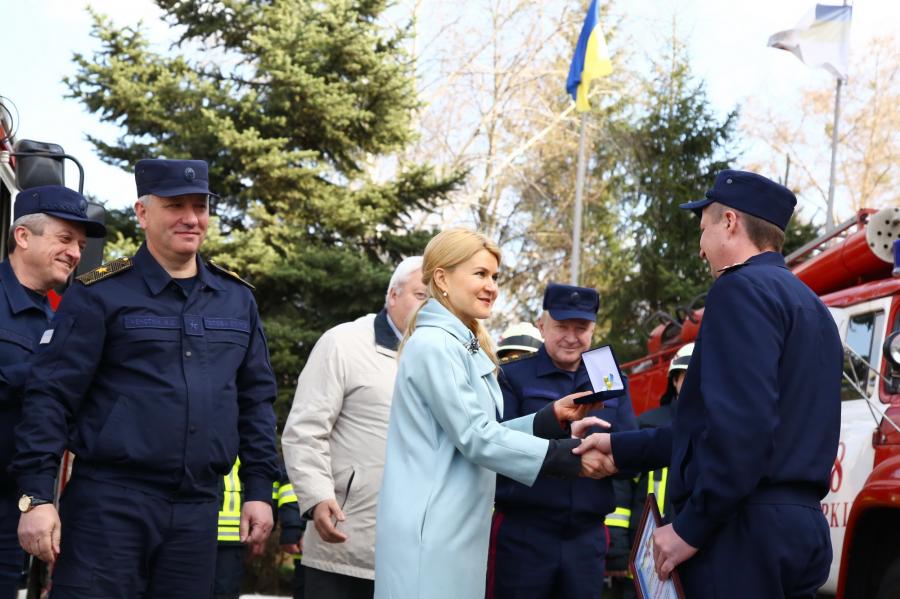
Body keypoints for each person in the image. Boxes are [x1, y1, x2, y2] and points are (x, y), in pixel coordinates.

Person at [11, 159, 280, 599]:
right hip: (110, 507)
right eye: (175, 206)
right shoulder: (99, 293)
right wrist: (37, 498)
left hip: (196, 512)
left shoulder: (236, 300)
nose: (191, 218)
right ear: (143, 213)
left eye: (200, 206)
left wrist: (258, 490)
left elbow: (255, 403)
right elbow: (51, 396)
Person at [576, 170, 843, 599]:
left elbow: (742, 430)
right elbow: (706, 430)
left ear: (731, 222)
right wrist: (623, 448)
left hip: (741, 533)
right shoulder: (812, 307)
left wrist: (690, 527)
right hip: (800, 530)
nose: (701, 250)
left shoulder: (738, 290)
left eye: (703, 230)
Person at [374, 228, 612, 599]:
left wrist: (548, 419)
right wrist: (567, 458)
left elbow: (479, 431)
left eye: (495, 277)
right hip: (432, 530)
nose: (491, 287)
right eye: (480, 274)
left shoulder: (458, 344)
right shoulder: (436, 345)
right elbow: (475, 436)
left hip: (453, 527)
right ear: (442, 278)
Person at [281, 256, 426, 598]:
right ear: (393, 295)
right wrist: (317, 497)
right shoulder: (343, 343)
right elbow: (305, 430)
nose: (428, 307)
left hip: (421, 553)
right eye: (421, 295)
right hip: (348, 544)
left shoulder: (444, 356)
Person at [489, 283, 638, 599]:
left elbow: (629, 450)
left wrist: (614, 456)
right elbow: (497, 447)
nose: (572, 337)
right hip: (525, 535)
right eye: (561, 326)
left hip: (586, 539)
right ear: (542, 326)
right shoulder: (513, 377)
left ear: (593, 330)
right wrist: (564, 438)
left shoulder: (609, 379)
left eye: (581, 327)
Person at [0, 186, 105, 599]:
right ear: (23, 236)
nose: (76, 253)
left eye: (80, 244)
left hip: (15, 508)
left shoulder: (63, 320)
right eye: (65, 239)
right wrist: (49, 374)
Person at [606, 343, 693, 599]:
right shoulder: (649, 425)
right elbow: (621, 488)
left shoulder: (719, 431)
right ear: (675, 380)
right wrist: (619, 550)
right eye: (688, 377)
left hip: (691, 547)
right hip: (642, 551)